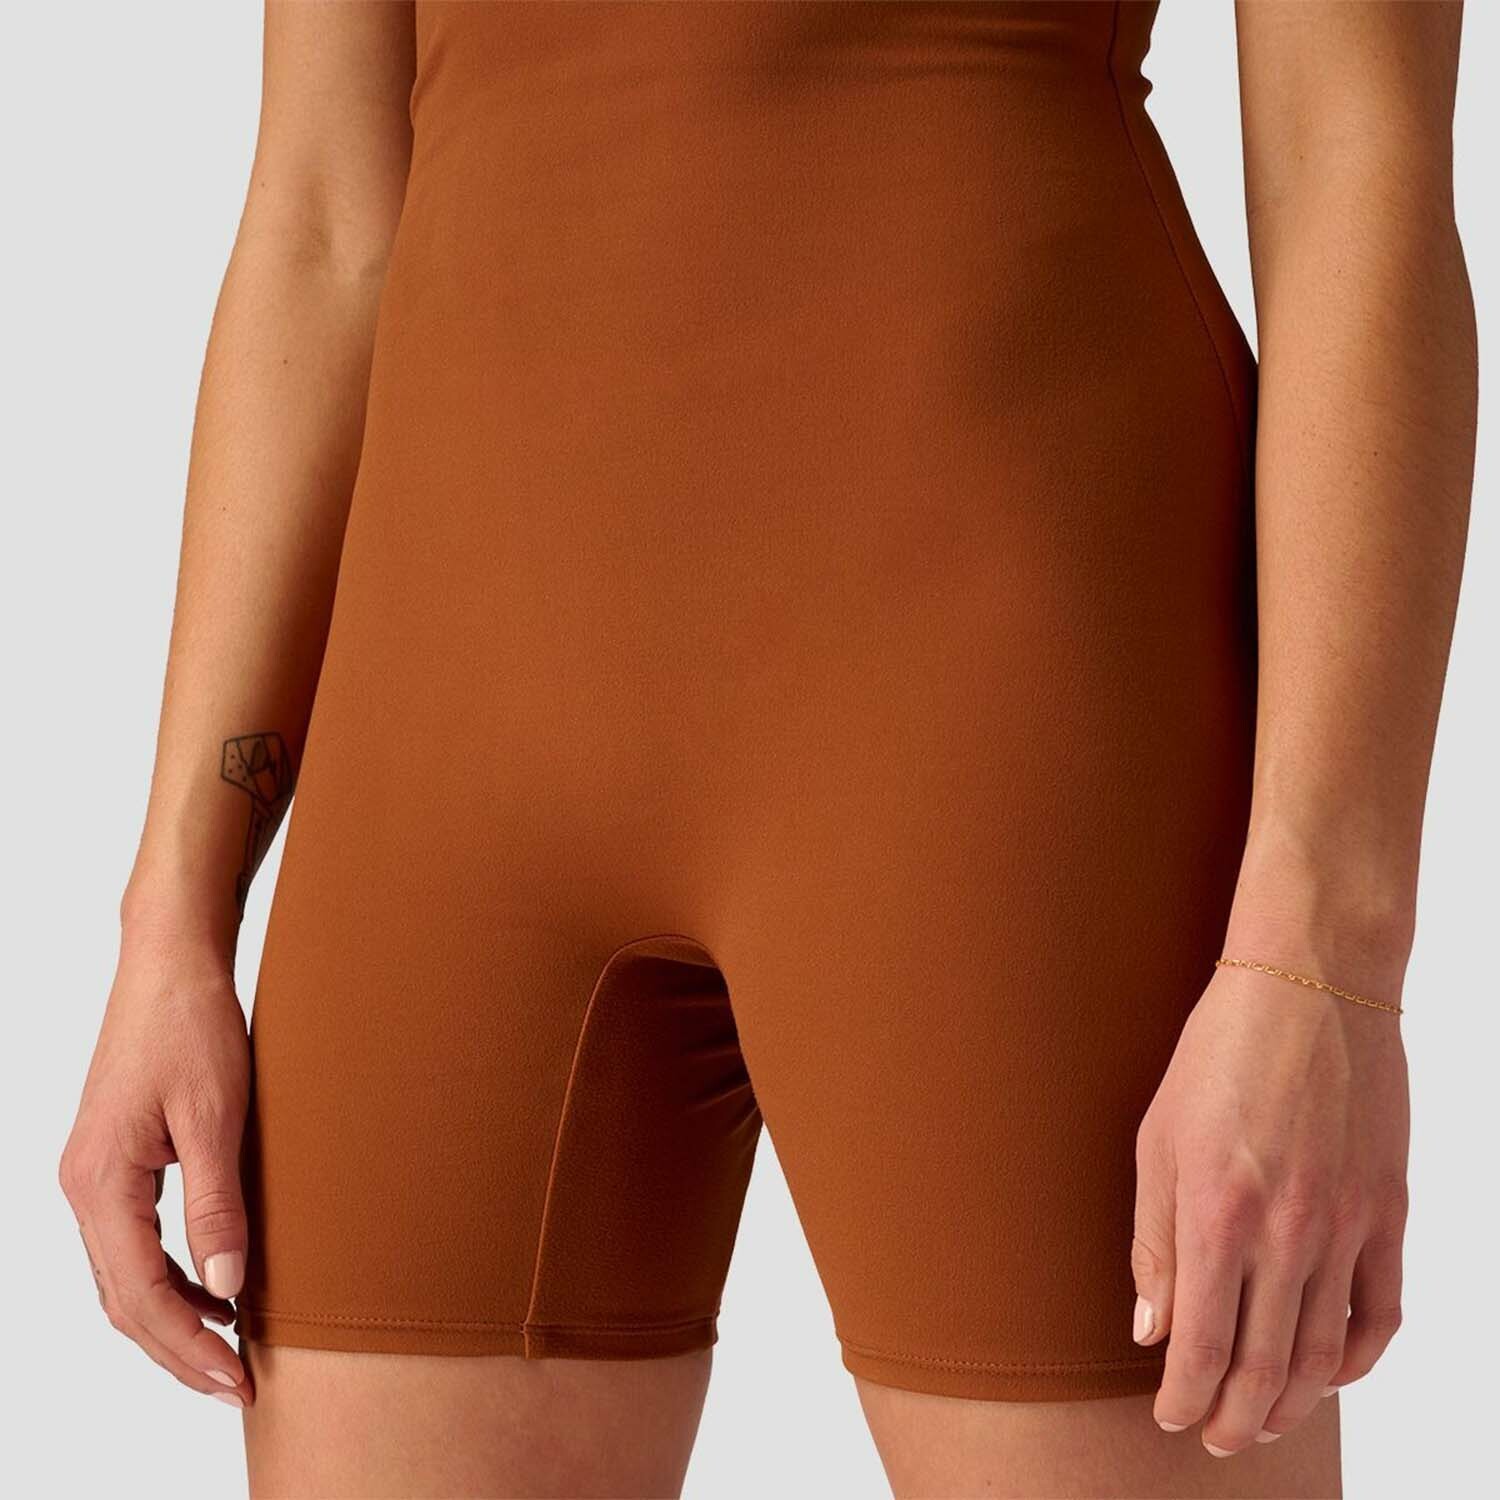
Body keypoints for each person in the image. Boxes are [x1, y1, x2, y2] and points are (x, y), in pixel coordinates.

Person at [60, 4, 1476, 1497]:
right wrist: (172, 916)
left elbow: (1353, 163)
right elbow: (321, 220)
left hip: (993, 721)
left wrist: (1325, 960)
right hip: (439, 765)